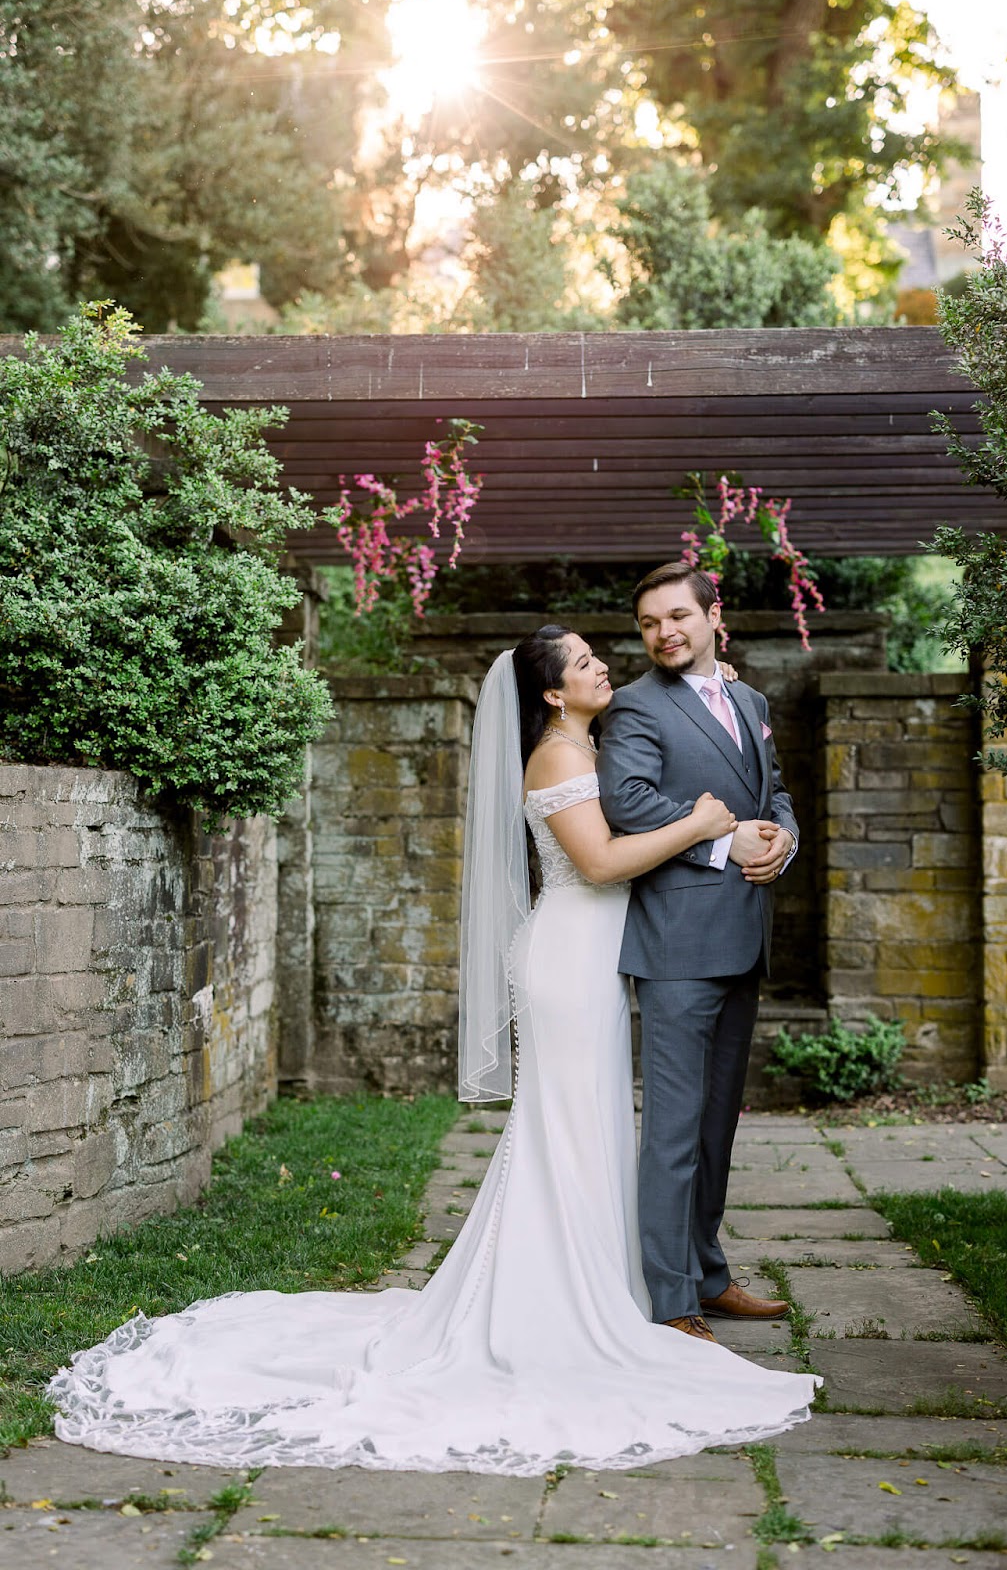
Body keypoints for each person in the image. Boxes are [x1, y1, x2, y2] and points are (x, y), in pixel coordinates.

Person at [49, 624, 817, 1476]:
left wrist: (716, 697)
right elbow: (600, 864)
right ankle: (551, 1299)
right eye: (589, 663)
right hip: (567, 959)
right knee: (563, 1125)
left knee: (589, 1124)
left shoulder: (591, 738)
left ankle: (595, 1282)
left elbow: (659, 746)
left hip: (596, 960)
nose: (609, 667)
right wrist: (704, 824)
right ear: (555, 693)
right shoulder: (559, 761)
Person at [597, 565, 799, 1340]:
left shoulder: (750, 700)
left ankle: (709, 1275)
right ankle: (672, 1299)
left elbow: (772, 793)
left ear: (715, 616)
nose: (663, 633)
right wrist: (722, 843)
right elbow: (630, 803)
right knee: (676, 1130)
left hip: (744, 938)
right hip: (676, 946)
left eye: (677, 616)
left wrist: (782, 841)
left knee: (718, 1127)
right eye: (649, 623)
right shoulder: (636, 707)